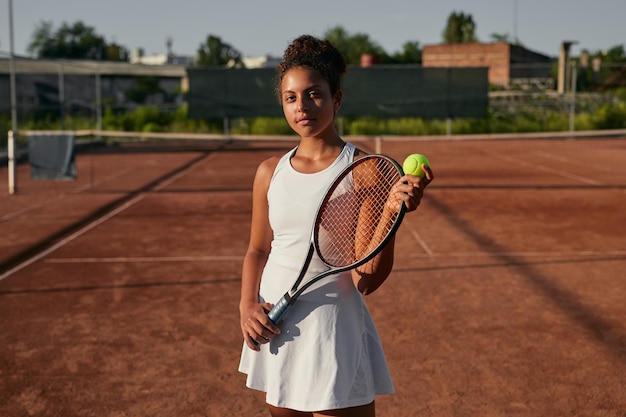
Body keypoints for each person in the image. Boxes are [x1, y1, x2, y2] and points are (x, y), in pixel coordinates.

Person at [238, 34, 434, 417]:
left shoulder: (364, 172)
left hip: (332, 330)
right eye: (291, 97)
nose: (302, 106)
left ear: (336, 99)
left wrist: (393, 211)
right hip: (277, 326)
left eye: (314, 94)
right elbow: (257, 250)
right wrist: (247, 306)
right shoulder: (268, 172)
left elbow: (366, 277)